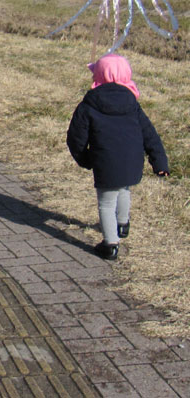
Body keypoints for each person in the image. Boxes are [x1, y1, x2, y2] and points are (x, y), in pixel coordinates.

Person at [66, 54, 169, 260]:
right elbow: (150, 134)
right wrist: (160, 163)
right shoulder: (132, 103)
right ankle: (123, 224)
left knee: (106, 203)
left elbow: (75, 138)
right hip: (132, 161)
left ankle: (110, 244)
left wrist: (85, 159)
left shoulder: (89, 104)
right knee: (124, 189)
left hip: (106, 162)